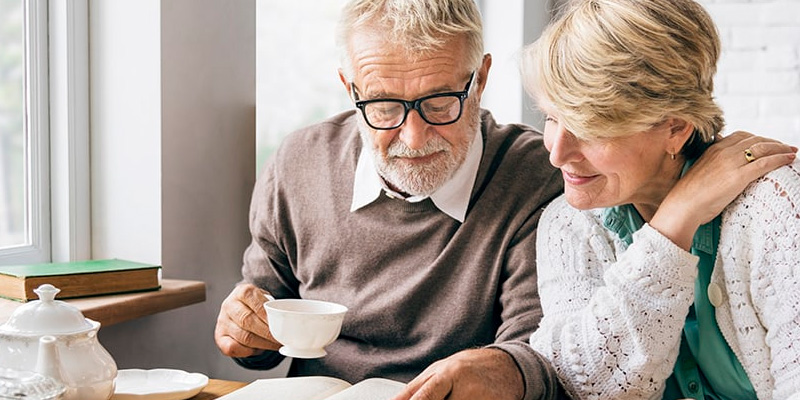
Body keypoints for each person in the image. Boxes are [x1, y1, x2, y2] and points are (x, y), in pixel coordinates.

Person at [214, 1, 565, 399]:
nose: (414, 138)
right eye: (383, 107)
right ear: (351, 90)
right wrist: (244, 328)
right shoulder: (299, 163)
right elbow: (262, 326)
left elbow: (542, 359)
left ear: (480, 80)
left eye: (439, 103)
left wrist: (510, 370)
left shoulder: (537, 176)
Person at [520, 0, 800, 399]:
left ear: (675, 127)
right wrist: (673, 224)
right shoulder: (568, 225)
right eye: (552, 117)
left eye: (589, 126)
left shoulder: (777, 210)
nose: (557, 153)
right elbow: (583, 388)